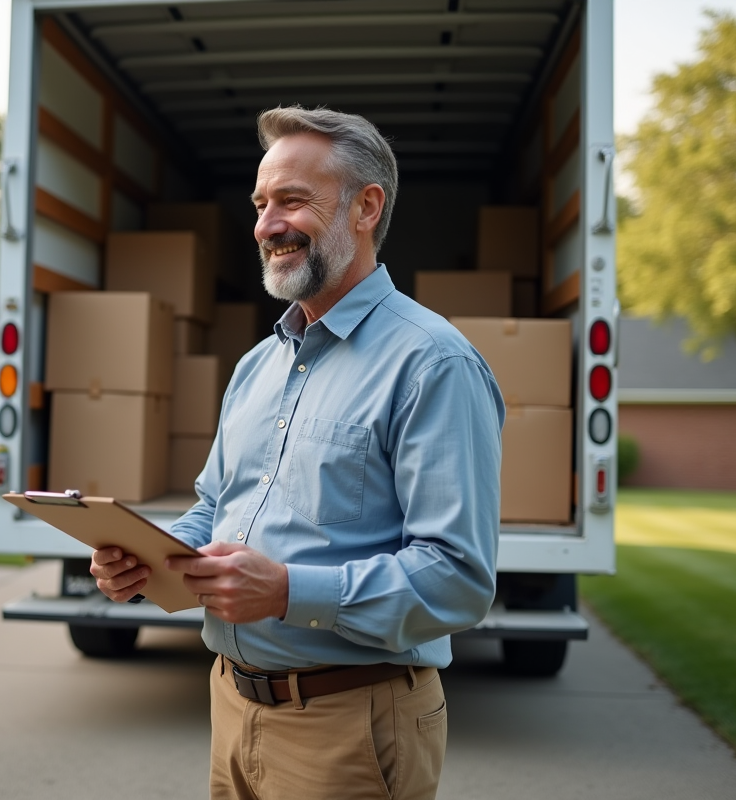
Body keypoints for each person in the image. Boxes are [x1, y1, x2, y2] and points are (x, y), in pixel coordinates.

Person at [91, 105, 505, 800]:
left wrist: (286, 591)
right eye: (260, 204)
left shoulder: (432, 363)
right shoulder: (258, 365)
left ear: (366, 207)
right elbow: (217, 508)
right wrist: (150, 553)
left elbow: (458, 579)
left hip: (351, 727)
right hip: (231, 707)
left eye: (291, 200)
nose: (266, 225)